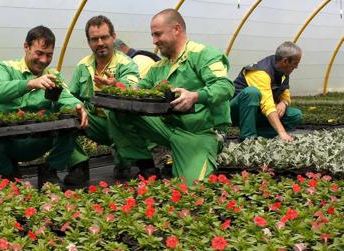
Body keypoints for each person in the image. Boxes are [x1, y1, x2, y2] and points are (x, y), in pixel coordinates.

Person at [108, 9, 234, 185]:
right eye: (152, 35)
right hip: (167, 128)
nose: (154, 41)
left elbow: (225, 86)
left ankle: (192, 157)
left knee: (193, 191)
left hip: (197, 133)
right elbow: (138, 91)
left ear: (176, 29)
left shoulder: (203, 55)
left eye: (158, 34)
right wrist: (119, 88)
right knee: (119, 110)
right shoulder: (159, 67)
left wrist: (195, 96)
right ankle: (146, 165)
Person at [0, 25, 88, 188]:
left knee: (72, 124)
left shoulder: (52, 75)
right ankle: (10, 172)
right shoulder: (6, 68)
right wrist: (30, 83)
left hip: (40, 141)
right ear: (26, 47)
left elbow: (65, 96)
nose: (44, 60)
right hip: (9, 141)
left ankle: (50, 170)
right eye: (39, 53)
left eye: (49, 55)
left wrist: (78, 106)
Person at [63, 15, 140, 186]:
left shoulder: (126, 63)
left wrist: (116, 86)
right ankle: (78, 166)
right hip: (95, 124)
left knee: (118, 112)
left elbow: (133, 89)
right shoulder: (83, 66)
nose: (100, 43)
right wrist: (74, 106)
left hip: (122, 124)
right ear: (89, 42)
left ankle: (126, 163)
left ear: (113, 37)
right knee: (66, 115)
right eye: (94, 39)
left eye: (104, 37)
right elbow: (70, 96)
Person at [231, 42, 303, 142]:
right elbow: (267, 105)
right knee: (252, 92)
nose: (296, 67)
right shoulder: (261, 72)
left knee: (295, 115)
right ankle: (247, 139)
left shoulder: (283, 70)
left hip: (257, 112)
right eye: (295, 63)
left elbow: (285, 94)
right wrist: (282, 132)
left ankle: (259, 134)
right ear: (285, 61)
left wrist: (283, 103)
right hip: (236, 112)